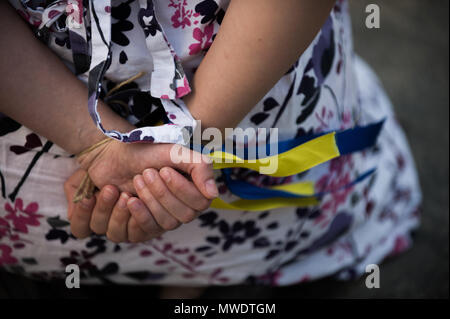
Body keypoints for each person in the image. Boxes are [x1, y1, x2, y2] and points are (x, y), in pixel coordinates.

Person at [0, 0, 421, 298]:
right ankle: (211, 274)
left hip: (44, 171)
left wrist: (99, 146)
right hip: (251, 111)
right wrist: (179, 147)